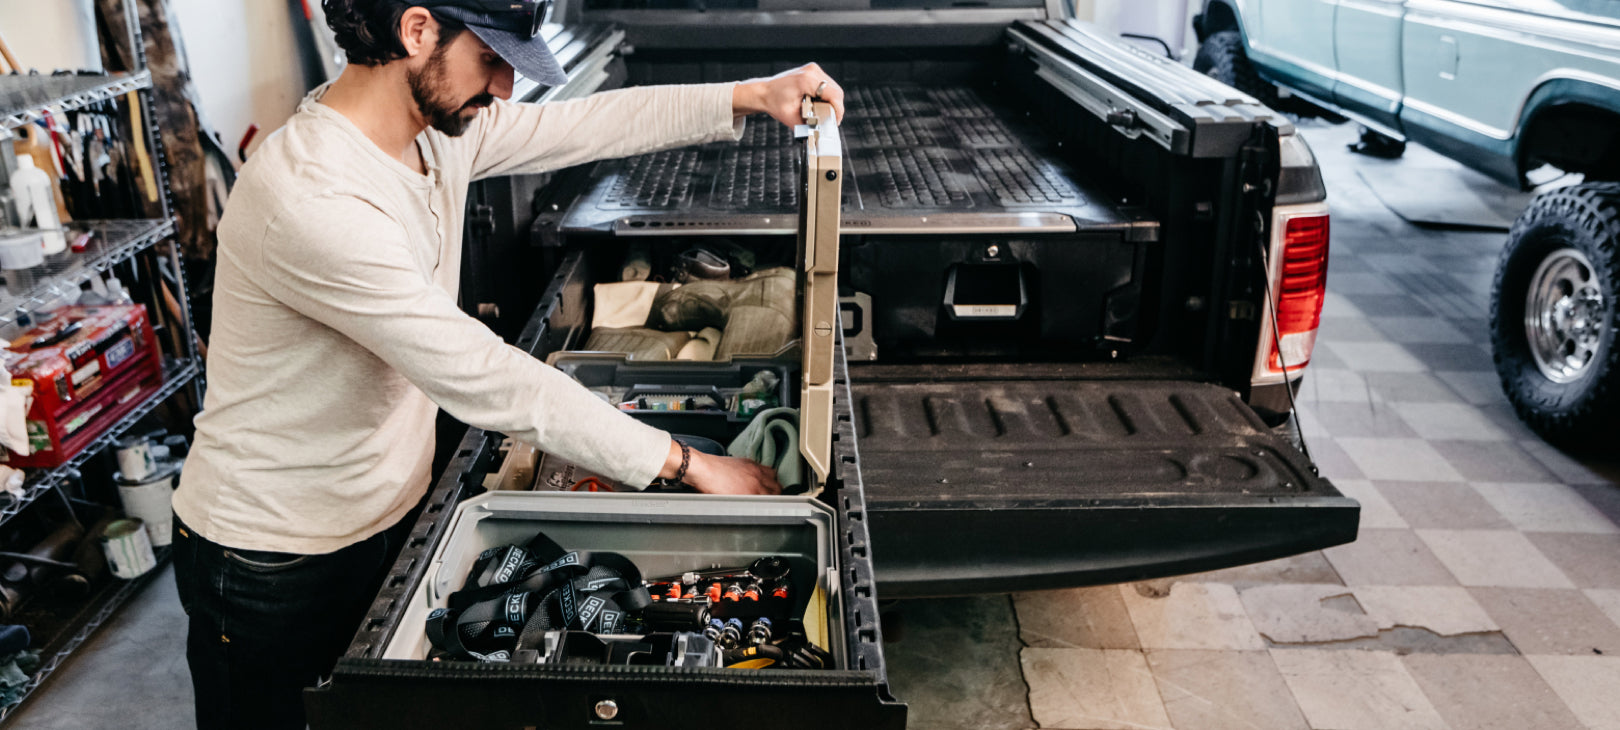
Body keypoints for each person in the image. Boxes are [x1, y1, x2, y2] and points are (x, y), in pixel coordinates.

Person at [168, 1, 846, 727]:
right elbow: (483, 374)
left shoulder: (434, 135)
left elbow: (584, 124)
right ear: (417, 31)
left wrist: (751, 93)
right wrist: (688, 464)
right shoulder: (311, 197)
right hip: (270, 556)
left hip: (387, 510)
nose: (504, 89)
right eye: (490, 61)